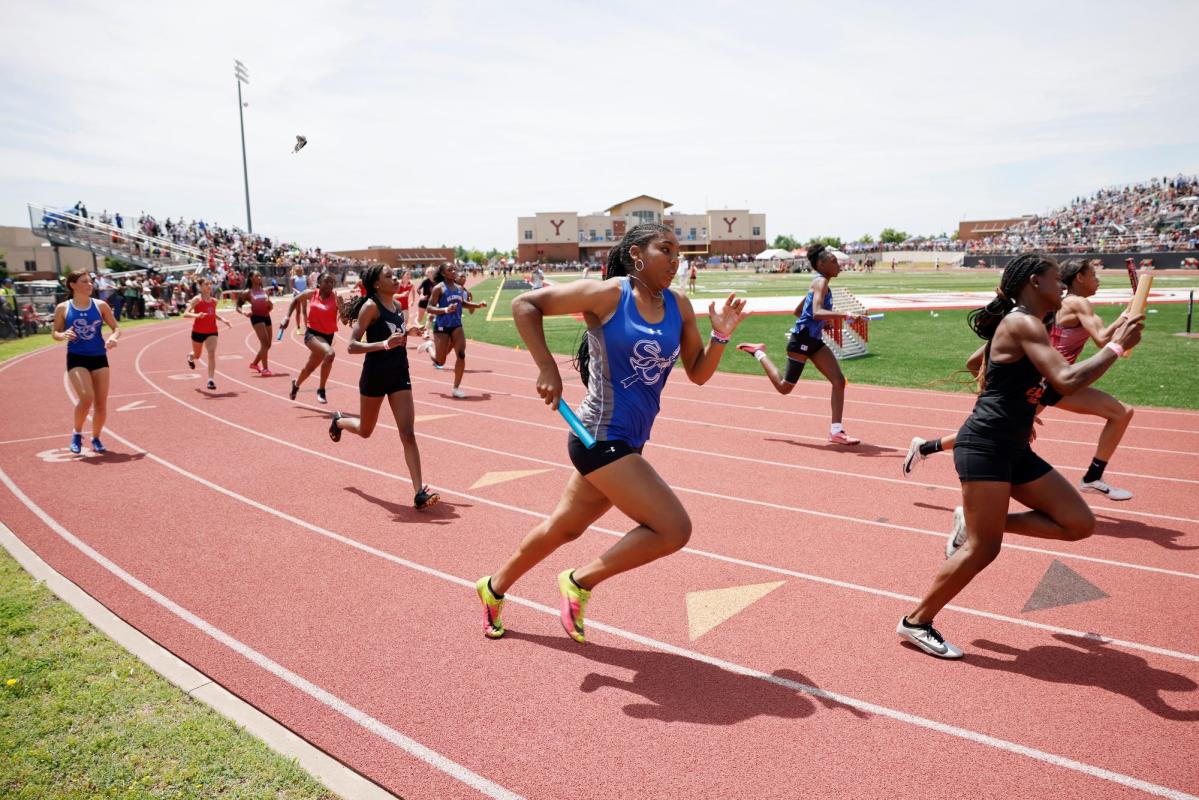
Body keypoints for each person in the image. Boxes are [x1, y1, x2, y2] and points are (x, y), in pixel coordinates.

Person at [474, 223, 748, 641]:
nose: (677, 260)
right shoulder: (610, 294)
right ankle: (579, 581)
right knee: (674, 529)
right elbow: (526, 305)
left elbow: (698, 374)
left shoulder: (679, 304)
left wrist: (721, 336)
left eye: (680, 253)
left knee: (564, 528)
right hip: (597, 436)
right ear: (637, 254)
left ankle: (492, 589)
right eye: (666, 250)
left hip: (628, 442)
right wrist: (546, 367)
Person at [897, 254, 1142, 659]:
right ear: (1033, 282)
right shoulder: (1022, 322)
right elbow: (1064, 381)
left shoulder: (1034, 323)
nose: (1061, 285)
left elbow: (980, 362)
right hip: (986, 445)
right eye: (1053, 279)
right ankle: (916, 622)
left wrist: (1019, 404)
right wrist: (1116, 346)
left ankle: (974, 523)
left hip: (1013, 445)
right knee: (984, 549)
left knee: (1079, 523)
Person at [904, 259, 1137, 500]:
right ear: (1078, 277)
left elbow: (974, 361)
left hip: (1049, 380)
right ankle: (1090, 478)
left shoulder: (1041, 312)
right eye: (1094, 274)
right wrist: (1123, 323)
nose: (1098, 280)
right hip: (1056, 379)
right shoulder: (1069, 305)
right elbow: (1102, 339)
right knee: (1001, 434)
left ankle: (926, 448)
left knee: (1002, 432)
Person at [328, 265, 439, 510]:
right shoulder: (371, 307)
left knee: (408, 433)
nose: (395, 279)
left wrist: (410, 330)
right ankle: (339, 421)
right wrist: (384, 344)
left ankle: (419, 491)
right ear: (377, 284)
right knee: (366, 430)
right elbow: (352, 346)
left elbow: (396, 334)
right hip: (375, 376)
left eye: (395, 275)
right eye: (388, 276)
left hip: (399, 373)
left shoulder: (397, 307)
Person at [736, 243, 867, 444]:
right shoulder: (820, 282)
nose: (838, 264)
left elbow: (799, 311)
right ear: (821, 264)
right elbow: (815, 312)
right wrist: (845, 314)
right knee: (784, 387)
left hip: (814, 340)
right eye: (834, 261)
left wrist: (824, 324)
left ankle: (836, 431)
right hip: (801, 341)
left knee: (839, 381)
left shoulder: (820, 284)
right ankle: (758, 352)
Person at [52, 270, 120, 454]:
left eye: (90, 282)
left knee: (101, 404)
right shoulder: (63, 308)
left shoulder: (100, 306)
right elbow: (55, 333)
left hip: (99, 357)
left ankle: (96, 438)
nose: (90, 285)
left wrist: (113, 338)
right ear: (73, 285)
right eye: (84, 282)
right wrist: (63, 334)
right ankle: (77, 433)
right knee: (86, 398)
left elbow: (116, 328)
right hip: (77, 357)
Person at [419, 263, 486, 399]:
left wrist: (478, 305)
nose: (454, 271)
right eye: (450, 270)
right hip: (442, 327)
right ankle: (429, 347)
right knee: (440, 361)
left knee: (461, 354)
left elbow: (463, 304)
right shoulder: (439, 288)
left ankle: (456, 388)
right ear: (443, 273)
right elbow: (429, 308)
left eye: (455, 268)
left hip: (456, 326)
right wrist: (445, 310)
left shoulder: (460, 288)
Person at [285, 271, 345, 404]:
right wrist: (286, 317)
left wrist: (344, 311)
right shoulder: (311, 294)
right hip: (312, 334)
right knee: (330, 354)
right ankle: (321, 390)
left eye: (332, 282)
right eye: (326, 281)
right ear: (319, 283)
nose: (330, 284)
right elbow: (295, 300)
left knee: (310, 368)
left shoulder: (337, 297)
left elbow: (345, 321)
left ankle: (296, 385)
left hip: (328, 337)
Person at [183, 277, 232, 391]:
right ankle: (190, 357)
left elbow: (213, 314)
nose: (209, 286)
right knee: (197, 355)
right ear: (201, 286)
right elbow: (185, 314)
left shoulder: (214, 301)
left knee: (211, 353)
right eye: (206, 284)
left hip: (212, 331)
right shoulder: (197, 299)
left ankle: (211, 380)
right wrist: (196, 315)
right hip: (198, 331)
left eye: (210, 284)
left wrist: (224, 320)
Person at [235, 270, 275, 376]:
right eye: (257, 276)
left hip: (267, 317)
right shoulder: (247, 292)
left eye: (260, 275)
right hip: (256, 318)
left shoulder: (264, 291)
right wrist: (244, 312)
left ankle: (254, 363)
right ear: (251, 278)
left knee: (268, 345)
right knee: (265, 343)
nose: (259, 277)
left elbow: (271, 307)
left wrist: (269, 304)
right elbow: (238, 306)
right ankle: (265, 369)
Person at [289, 265, 309, 333]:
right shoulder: (293, 278)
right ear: (295, 270)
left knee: (304, 312)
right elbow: (292, 287)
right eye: (297, 267)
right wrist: (297, 291)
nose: (299, 268)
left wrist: (306, 291)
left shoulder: (305, 277)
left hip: (304, 296)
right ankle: (298, 327)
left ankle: (306, 327)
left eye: (300, 267)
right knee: (298, 312)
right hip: (297, 296)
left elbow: (308, 285)